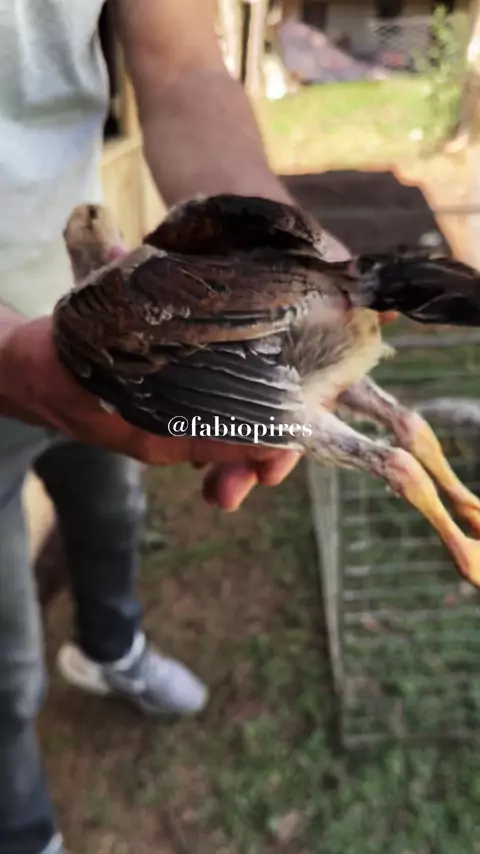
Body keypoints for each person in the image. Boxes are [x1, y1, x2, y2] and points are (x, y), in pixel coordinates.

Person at [0, 2, 348, 852]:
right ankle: (25, 830)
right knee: (6, 664)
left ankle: (111, 648)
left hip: (83, 313)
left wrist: (268, 236)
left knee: (112, 508)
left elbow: (183, 67)